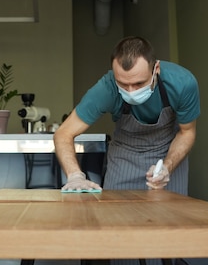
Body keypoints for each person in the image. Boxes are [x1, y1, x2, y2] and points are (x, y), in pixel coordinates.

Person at [55, 35, 200, 193]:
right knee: (117, 215)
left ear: (156, 69)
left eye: (139, 83)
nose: (131, 92)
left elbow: (186, 132)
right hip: (124, 157)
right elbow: (63, 133)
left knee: (171, 215)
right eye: (123, 84)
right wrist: (75, 176)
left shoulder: (182, 83)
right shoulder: (106, 89)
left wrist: (167, 167)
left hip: (168, 155)